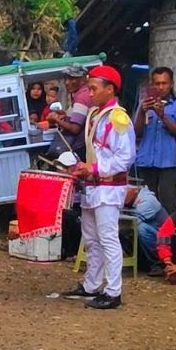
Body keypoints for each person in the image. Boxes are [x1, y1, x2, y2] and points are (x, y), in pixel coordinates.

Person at [64, 65, 135, 310]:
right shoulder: (97, 114)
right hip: (93, 187)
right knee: (92, 239)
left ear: (110, 89)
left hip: (107, 188)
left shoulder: (118, 118)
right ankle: (91, 285)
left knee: (108, 239)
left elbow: (125, 157)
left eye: (94, 88)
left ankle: (113, 291)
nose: (90, 92)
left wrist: (93, 169)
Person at [132, 66, 176, 212]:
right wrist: (142, 112)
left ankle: (167, 235)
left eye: (164, 83)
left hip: (167, 164)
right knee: (144, 206)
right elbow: (136, 133)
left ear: (171, 84)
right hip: (145, 163)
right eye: (157, 83)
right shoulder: (144, 105)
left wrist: (163, 116)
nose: (161, 87)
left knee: (167, 206)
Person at [49, 65, 90, 160]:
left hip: (80, 148)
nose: (67, 82)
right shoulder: (82, 94)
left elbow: (75, 128)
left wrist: (56, 119)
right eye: (66, 78)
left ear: (83, 79)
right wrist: (64, 115)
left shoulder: (81, 97)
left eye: (72, 79)